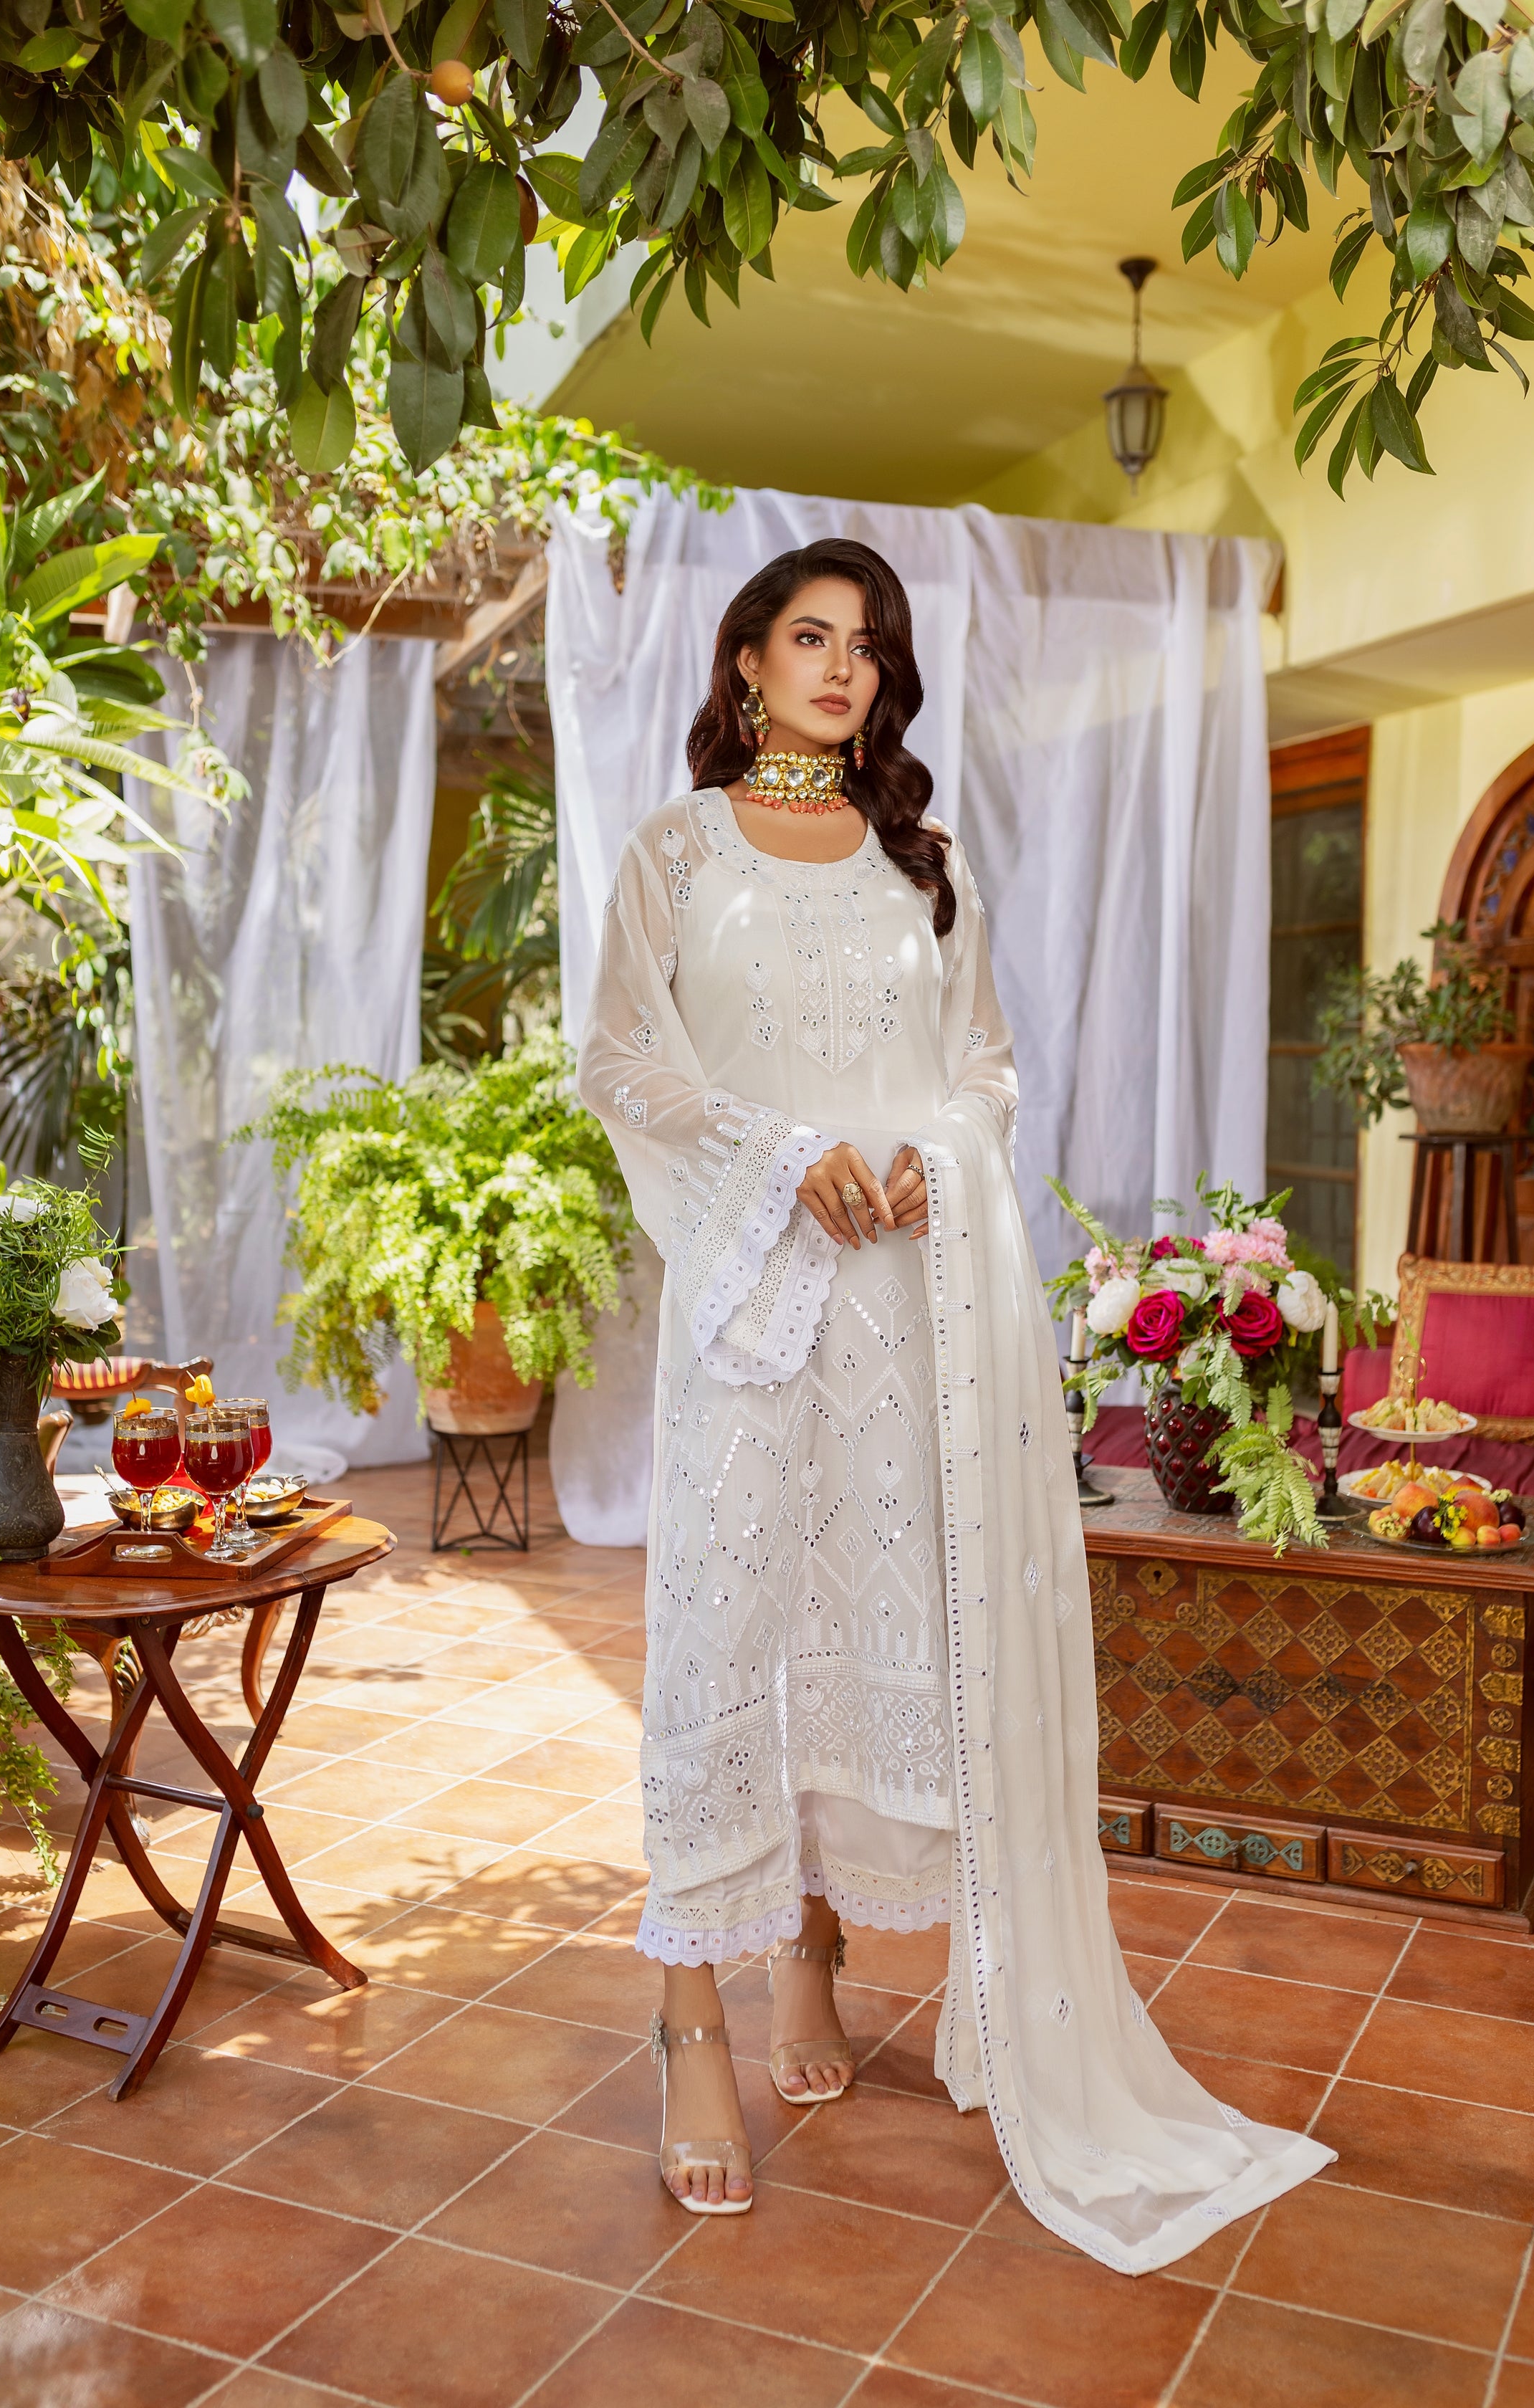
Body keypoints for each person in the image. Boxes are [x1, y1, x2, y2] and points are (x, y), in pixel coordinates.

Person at [575, 538, 1333, 2272]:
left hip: (909, 1312)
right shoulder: (676, 852)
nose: (841, 669)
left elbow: (985, 1068)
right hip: (755, 1306)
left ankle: (815, 1953)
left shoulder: (924, 863)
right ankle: (690, 2021)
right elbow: (617, 1060)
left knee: (871, 1622)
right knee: (723, 1634)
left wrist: (931, 1154)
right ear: (748, 663)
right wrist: (786, 1158)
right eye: (810, 639)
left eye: (867, 647)